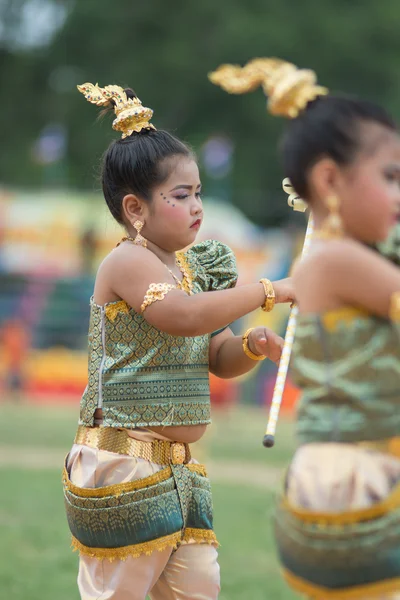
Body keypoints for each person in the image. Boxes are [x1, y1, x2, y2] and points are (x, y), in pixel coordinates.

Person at [63, 81, 294, 600]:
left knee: (198, 590)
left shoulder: (197, 268)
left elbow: (216, 352)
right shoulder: (126, 262)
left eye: (199, 193)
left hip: (177, 471)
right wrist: (267, 290)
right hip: (122, 464)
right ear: (136, 209)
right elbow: (184, 318)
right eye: (181, 195)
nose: (196, 206)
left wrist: (252, 345)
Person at [210, 58, 400, 598]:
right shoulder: (335, 264)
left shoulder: (344, 260)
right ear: (330, 181)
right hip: (360, 487)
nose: (399, 196)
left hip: (346, 481)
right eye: (390, 177)